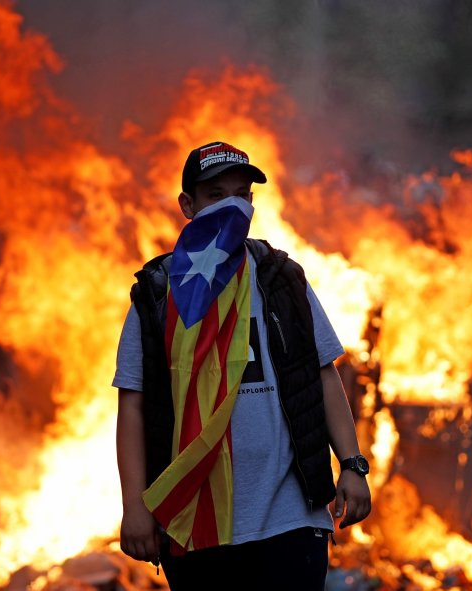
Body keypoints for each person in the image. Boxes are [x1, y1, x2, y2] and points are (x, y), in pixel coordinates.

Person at [113, 141, 372, 590]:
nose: (232, 206)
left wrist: (352, 464)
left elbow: (322, 374)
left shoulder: (280, 277)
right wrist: (135, 506)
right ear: (187, 205)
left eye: (241, 195)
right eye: (216, 195)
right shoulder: (156, 293)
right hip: (196, 519)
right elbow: (133, 406)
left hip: (290, 516)